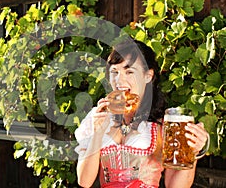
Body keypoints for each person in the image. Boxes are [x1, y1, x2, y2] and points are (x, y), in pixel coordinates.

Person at [74, 38, 209, 188]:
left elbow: (176, 186)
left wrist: (193, 153)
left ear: (148, 76)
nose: (119, 80)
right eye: (114, 72)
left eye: (129, 71)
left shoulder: (165, 126)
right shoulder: (97, 117)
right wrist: (97, 134)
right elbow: (84, 181)